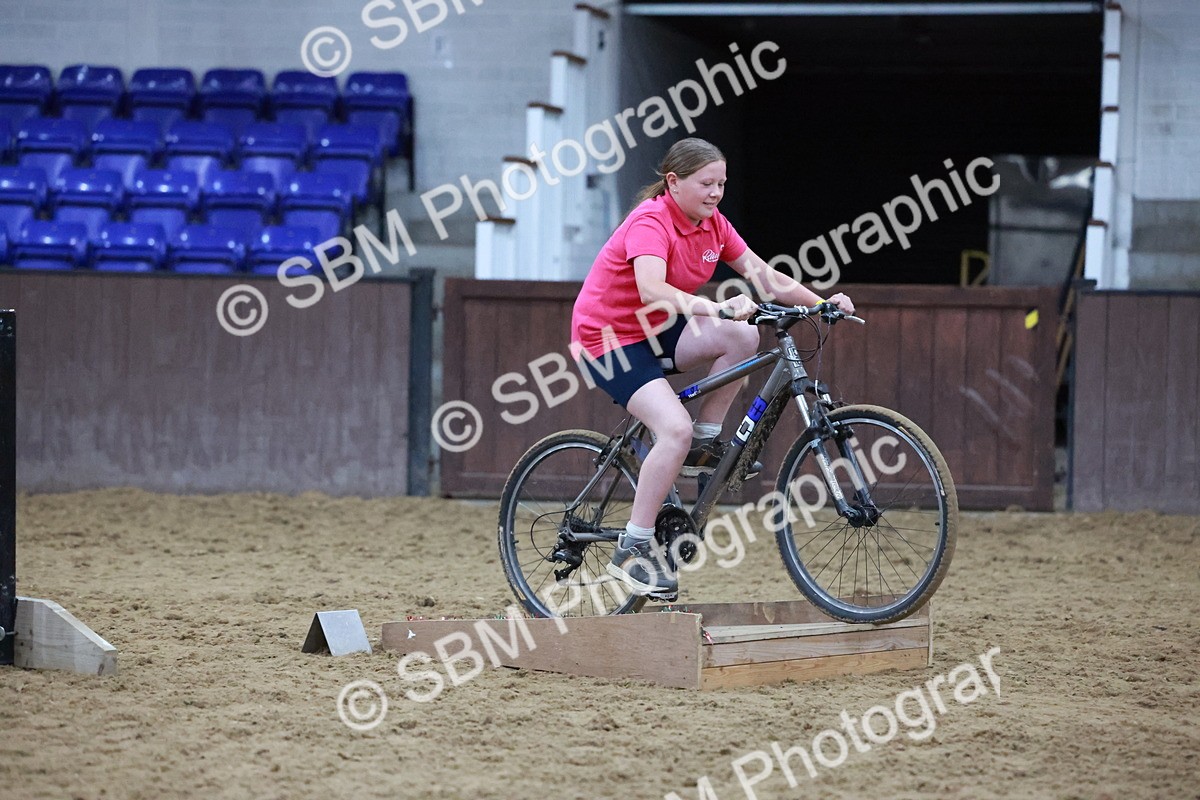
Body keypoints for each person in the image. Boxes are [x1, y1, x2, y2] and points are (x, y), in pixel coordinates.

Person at [570, 137, 854, 598]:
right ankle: (632, 549)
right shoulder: (650, 220)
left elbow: (765, 276)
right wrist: (714, 307)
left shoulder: (713, 225)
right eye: (706, 183)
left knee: (744, 335)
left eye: (721, 183)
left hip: (656, 331)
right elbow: (650, 290)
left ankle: (705, 442)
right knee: (672, 430)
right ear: (674, 182)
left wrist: (821, 303)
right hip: (608, 340)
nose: (716, 192)